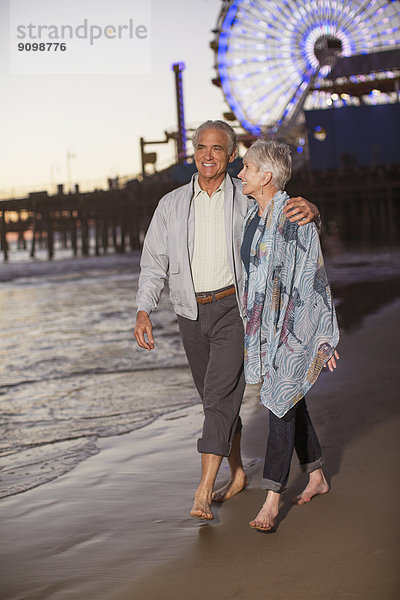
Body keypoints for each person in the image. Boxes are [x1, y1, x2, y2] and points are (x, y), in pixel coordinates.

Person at [134, 120, 320, 521]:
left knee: (218, 400)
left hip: (235, 312)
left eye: (217, 149)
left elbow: (282, 212)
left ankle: (202, 491)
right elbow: (154, 263)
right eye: (201, 147)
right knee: (215, 401)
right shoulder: (170, 205)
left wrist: (314, 210)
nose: (207, 155)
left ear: (231, 155)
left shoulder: (245, 196)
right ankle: (239, 473)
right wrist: (144, 309)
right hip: (190, 313)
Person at [238, 138, 339, 532]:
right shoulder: (252, 217)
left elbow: (315, 278)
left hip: (292, 327)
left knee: (279, 402)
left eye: (247, 167)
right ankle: (315, 474)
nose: (240, 173)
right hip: (261, 325)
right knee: (290, 400)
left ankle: (271, 501)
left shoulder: (297, 218)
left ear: (266, 177)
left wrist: (323, 335)